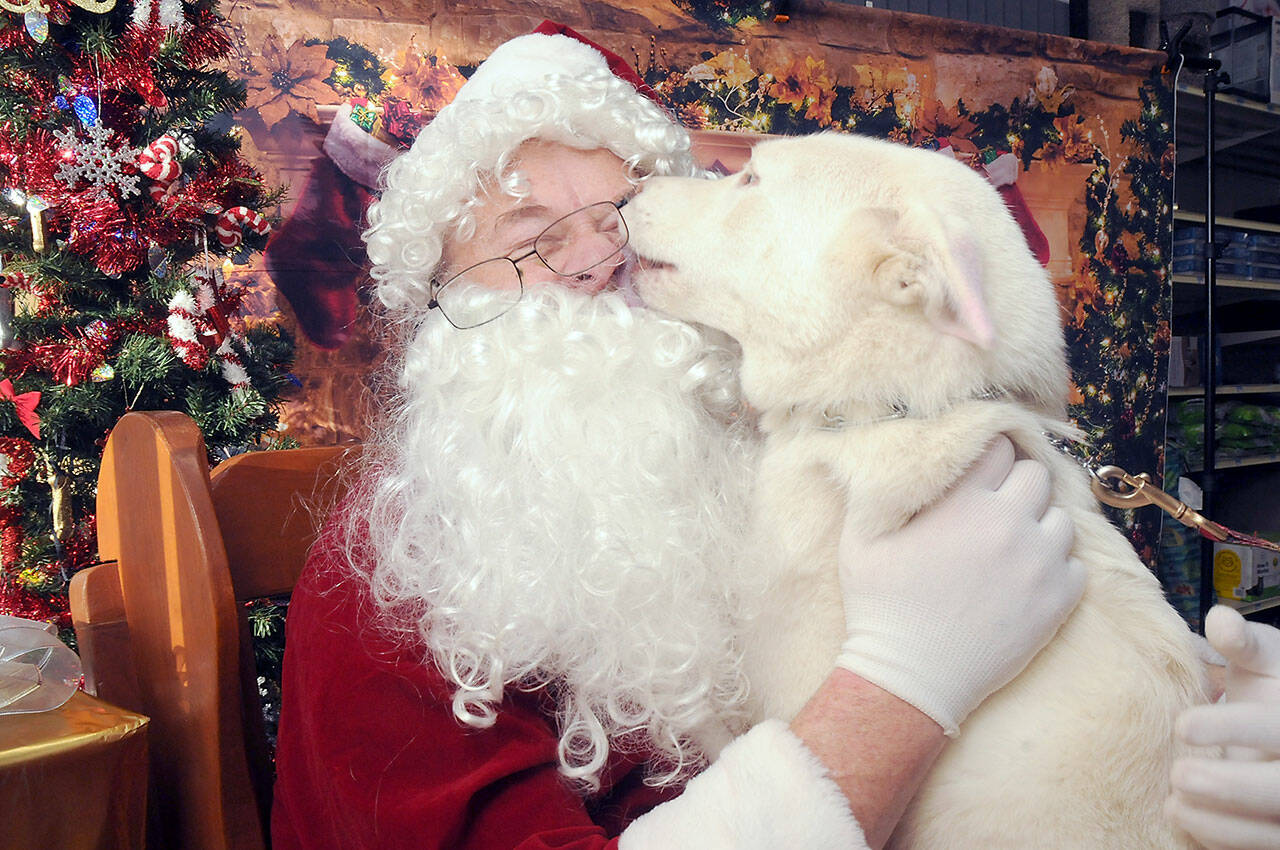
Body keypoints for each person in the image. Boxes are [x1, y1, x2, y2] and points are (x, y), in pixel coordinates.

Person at [270, 24, 1280, 850]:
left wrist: (1195, 748)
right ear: (444, 299)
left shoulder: (748, 465)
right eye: (529, 237)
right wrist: (901, 684)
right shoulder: (395, 584)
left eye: (618, 216)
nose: (591, 264)